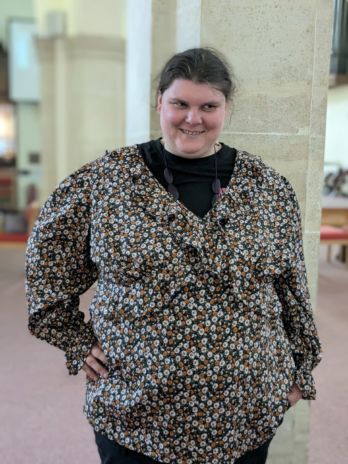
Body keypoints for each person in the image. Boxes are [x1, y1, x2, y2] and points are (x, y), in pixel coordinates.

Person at [26, 47, 321, 464]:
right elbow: (47, 274)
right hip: (134, 412)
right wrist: (75, 340)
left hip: (244, 413)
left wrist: (299, 372)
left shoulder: (268, 189)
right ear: (159, 102)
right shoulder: (104, 183)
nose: (193, 118)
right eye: (180, 103)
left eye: (208, 106)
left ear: (226, 108)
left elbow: (291, 288)